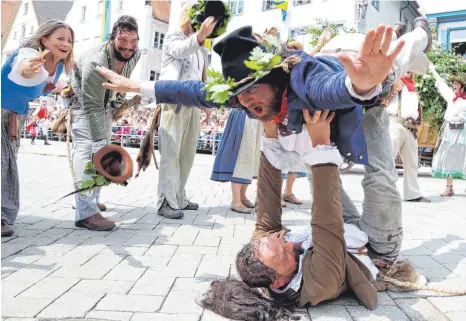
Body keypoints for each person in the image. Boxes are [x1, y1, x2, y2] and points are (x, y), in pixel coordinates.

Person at [1, 19, 74, 237]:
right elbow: (23, 67)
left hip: (15, 116)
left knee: (9, 164)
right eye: (60, 38)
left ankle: (4, 213)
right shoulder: (28, 52)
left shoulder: (59, 67)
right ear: (44, 39)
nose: (66, 43)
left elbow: (39, 90)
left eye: (69, 40)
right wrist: (28, 69)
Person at [69, 15, 141, 231]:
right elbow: (92, 107)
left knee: (103, 152)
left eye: (133, 41)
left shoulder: (135, 54)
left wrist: (121, 104)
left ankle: (92, 200)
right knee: (88, 151)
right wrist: (99, 142)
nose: (128, 47)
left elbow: (122, 81)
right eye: (123, 40)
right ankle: (86, 213)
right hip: (84, 106)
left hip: (106, 104)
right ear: (112, 39)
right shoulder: (95, 63)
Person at [155, 2, 226, 219]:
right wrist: (200, 36)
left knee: (186, 155)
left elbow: (201, 77)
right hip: (173, 103)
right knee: (171, 154)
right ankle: (165, 201)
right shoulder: (173, 37)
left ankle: (179, 197)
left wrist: (206, 105)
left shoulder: (201, 47)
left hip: (192, 104)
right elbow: (180, 50)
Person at [384, 71, 430, 202]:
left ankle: (412, 194)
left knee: (412, 163)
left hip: (410, 128)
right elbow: (381, 96)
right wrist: (393, 87)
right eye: (406, 66)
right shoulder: (394, 81)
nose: (408, 69)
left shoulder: (414, 88)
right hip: (394, 123)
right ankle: (386, 192)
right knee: (388, 159)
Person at [211, 108, 261, 214]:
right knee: (241, 155)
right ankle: (236, 200)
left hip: (255, 114)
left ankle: (242, 196)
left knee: (251, 156)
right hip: (244, 111)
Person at [430, 65, 466, 196]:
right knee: (447, 157)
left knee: (464, 157)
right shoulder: (451, 96)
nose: (453, 85)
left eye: (456, 83)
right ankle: (449, 187)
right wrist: (432, 69)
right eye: (453, 83)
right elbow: (441, 84)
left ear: (462, 85)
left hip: (463, 132)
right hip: (450, 132)